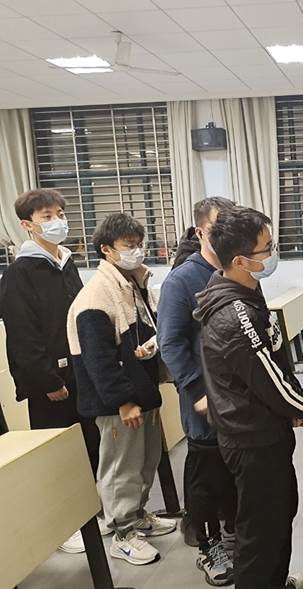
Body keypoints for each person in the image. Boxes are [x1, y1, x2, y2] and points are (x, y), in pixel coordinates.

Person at [193, 206, 303, 589]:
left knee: (277, 518)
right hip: (252, 439)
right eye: (267, 248)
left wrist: (289, 408)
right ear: (241, 261)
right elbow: (268, 378)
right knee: (260, 533)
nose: (273, 254)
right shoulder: (235, 314)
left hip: (262, 429)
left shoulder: (244, 290)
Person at [67, 213, 177, 566]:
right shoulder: (96, 296)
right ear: (107, 250)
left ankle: (137, 515)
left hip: (141, 391)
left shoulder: (132, 283)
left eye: (140, 244)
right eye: (129, 246)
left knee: (145, 462)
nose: (137, 251)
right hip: (118, 403)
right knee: (120, 469)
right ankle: (122, 533)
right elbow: (98, 359)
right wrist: (123, 401)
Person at [0, 188, 100, 554]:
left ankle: (90, 512)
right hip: (50, 380)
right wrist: (46, 380)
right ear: (27, 225)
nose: (57, 221)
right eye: (47, 216)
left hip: (79, 371)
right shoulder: (19, 273)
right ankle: (64, 526)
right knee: (57, 453)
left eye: (60, 213)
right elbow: (22, 335)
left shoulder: (66, 262)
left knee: (88, 445)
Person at [158, 197, 236, 586]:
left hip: (237, 399)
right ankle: (209, 547)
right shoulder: (182, 280)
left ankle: (234, 535)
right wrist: (194, 389)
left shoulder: (236, 269)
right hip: (204, 399)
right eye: (219, 227)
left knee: (234, 475)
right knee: (206, 478)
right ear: (200, 231)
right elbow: (170, 343)